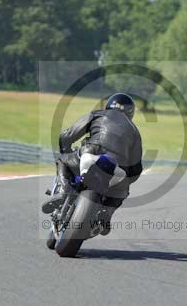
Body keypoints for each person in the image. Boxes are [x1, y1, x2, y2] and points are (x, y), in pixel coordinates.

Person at [41, 93, 143, 235]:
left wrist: (66, 150)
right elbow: (137, 168)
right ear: (130, 112)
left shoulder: (98, 114)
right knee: (123, 190)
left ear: (109, 105)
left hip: (91, 152)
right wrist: (125, 181)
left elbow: (67, 135)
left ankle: (64, 189)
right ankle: (106, 215)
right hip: (117, 168)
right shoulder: (134, 131)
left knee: (62, 159)